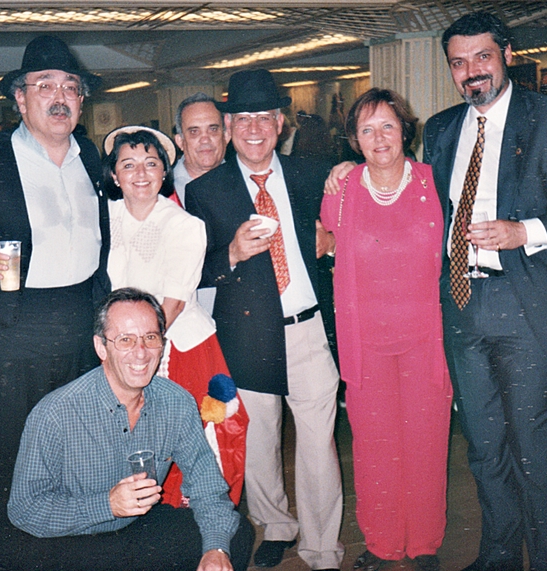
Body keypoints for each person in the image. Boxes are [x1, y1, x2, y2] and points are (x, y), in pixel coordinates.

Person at [421, 12, 547, 571]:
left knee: (537, 455)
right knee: (485, 451)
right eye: (458, 63)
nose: (471, 72)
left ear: (507, 54)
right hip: (464, 305)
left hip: (532, 307)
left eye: (482, 57)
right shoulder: (440, 129)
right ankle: (499, 557)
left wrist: (525, 232)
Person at [0, 35, 110, 569]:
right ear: (20, 98)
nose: (60, 96)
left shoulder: (91, 157)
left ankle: (71, 556)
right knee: (11, 458)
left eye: (70, 87)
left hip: (81, 325)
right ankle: (15, 560)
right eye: (45, 85)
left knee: (78, 455)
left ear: (81, 101)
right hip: (7, 331)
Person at [186, 69, 344, 571]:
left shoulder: (311, 174)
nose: (254, 128)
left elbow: (351, 227)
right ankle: (276, 525)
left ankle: (322, 549)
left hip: (307, 328)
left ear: (280, 123)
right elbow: (194, 269)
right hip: (246, 332)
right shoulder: (205, 191)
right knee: (258, 443)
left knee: (318, 444)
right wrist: (231, 253)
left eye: (264, 117)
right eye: (242, 119)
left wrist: (332, 243)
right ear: (229, 127)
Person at [7, 287, 254, 571]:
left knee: (236, 536)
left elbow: (207, 486)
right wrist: (106, 505)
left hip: (137, 528)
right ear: (101, 347)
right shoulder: (56, 413)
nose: (141, 353)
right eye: (125, 340)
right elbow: (25, 509)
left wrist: (215, 548)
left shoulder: (176, 402)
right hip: (73, 537)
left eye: (150, 338)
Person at [319, 87, 452, 571]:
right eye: (367, 129)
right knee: (374, 449)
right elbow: (323, 244)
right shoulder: (340, 191)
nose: (379, 138)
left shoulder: (434, 181)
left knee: (426, 443)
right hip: (366, 343)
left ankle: (425, 543)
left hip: (426, 341)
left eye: (388, 126)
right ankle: (381, 543)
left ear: (405, 131)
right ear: (354, 139)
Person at [102, 125, 247, 508]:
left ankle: (200, 525)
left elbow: (175, 302)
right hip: (121, 348)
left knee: (193, 439)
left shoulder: (184, 225)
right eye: (128, 164)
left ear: (164, 171)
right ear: (114, 175)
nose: (141, 173)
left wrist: (141, 351)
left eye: (151, 163)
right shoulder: (104, 218)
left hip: (178, 346)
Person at [173, 92, 231, 316]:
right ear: (180, 141)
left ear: (226, 135)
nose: (205, 140)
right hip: (185, 319)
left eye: (213, 129)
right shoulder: (162, 191)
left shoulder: (247, 183)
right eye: (194, 132)